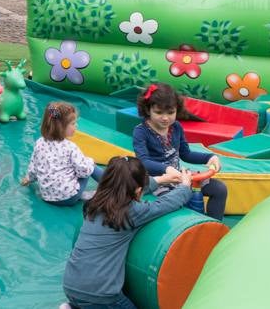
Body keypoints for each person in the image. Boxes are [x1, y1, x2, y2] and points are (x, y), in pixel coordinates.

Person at [62, 156, 191, 309]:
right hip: (101, 295)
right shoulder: (132, 211)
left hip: (70, 285)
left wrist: (162, 179)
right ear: (138, 191)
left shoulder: (94, 202)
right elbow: (166, 203)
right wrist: (185, 186)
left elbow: (123, 185)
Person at [132, 83, 227, 220]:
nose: (165, 118)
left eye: (170, 113)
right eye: (159, 112)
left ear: (177, 110)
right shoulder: (141, 131)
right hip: (158, 182)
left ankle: (215, 227)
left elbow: (186, 154)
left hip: (178, 178)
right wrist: (167, 169)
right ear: (148, 110)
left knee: (219, 189)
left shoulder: (176, 127)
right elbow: (143, 161)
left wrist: (210, 157)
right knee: (178, 204)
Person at [22, 102, 103, 206]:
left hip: (47, 197)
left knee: (76, 164)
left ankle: (74, 190)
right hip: (69, 198)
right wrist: (90, 162)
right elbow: (84, 171)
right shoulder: (70, 147)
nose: (76, 126)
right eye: (73, 123)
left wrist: (29, 178)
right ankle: (113, 184)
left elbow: (34, 166)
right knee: (89, 164)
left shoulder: (39, 143)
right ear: (60, 126)